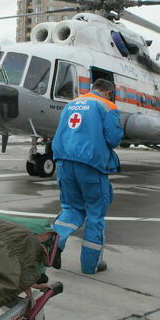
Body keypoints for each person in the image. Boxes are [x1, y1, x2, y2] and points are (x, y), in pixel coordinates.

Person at [51, 78, 123, 274]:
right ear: (108, 92)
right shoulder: (107, 106)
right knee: (95, 214)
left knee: (70, 209)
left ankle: (53, 247)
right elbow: (114, 138)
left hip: (64, 162)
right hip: (90, 164)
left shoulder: (71, 104)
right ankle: (90, 265)